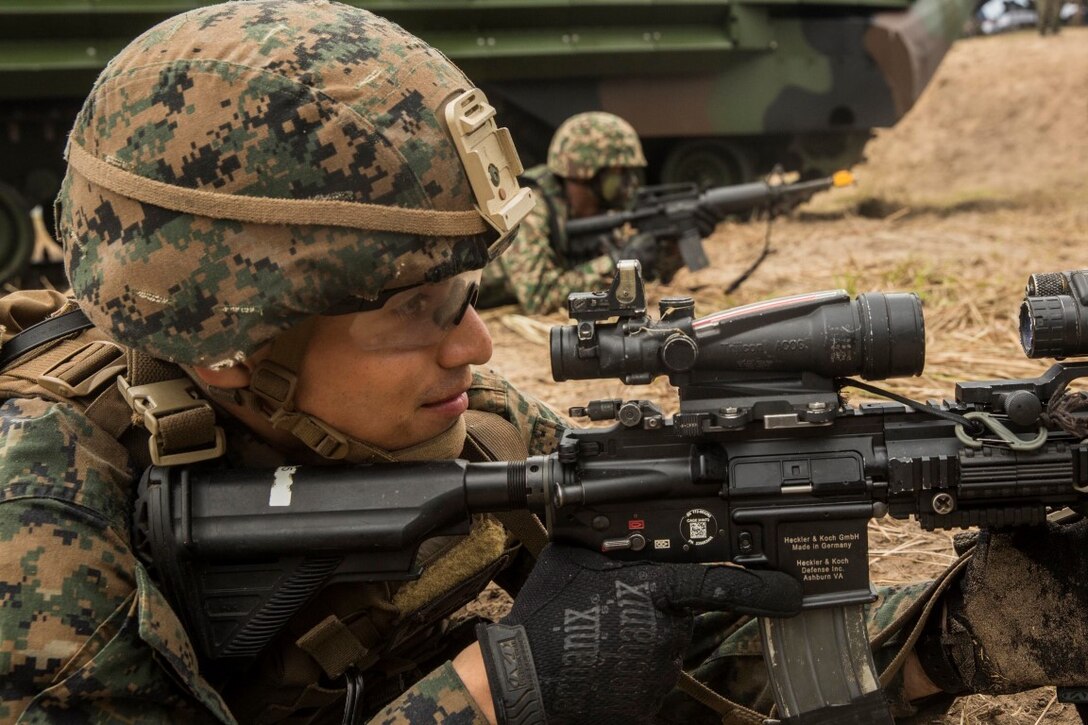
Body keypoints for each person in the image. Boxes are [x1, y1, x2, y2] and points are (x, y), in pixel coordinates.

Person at [2, 2, 1086, 724]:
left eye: (469, 295)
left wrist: (967, 624)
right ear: (237, 344)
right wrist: (494, 691)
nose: (473, 345)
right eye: (416, 310)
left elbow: (693, 631)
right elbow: (543, 673)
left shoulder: (470, 433)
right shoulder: (37, 543)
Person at [478, 112, 670, 315]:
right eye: (620, 173)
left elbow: (646, 278)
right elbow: (539, 298)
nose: (630, 183)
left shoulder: (600, 215)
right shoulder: (530, 210)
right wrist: (618, 261)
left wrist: (669, 250)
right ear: (587, 172)